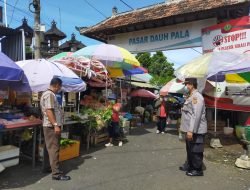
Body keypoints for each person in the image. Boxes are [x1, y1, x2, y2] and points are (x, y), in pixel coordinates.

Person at [40, 78, 71, 181]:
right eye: (60, 87)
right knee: (54, 149)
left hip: (48, 125)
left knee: (48, 148)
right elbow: (49, 111)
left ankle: (48, 168)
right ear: (57, 85)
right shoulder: (49, 94)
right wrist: (55, 125)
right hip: (50, 126)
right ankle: (56, 174)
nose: (60, 89)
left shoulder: (47, 93)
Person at [179, 78, 207, 176]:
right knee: (190, 149)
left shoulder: (197, 97)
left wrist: (191, 130)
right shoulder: (191, 96)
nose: (185, 87)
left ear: (191, 85)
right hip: (189, 129)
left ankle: (197, 169)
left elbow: (196, 115)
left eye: (186, 84)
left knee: (196, 150)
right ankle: (190, 165)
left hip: (196, 130)